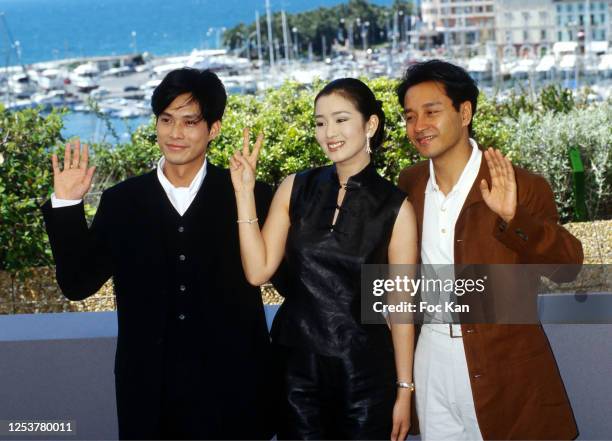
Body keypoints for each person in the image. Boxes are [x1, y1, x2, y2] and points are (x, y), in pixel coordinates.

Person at [41, 68, 278, 440]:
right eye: (166, 120)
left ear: (213, 129)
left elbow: (289, 277)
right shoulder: (122, 201)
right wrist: (67, 205)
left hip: (236, 394)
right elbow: (77, 283)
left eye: (189, 122)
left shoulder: (249, 194)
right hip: (148, 397)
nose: (175, 133)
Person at [396, 59, 583, 440]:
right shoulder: (409, 185)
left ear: (465, 112)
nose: (419, 126)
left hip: (506, 369)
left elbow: (569, 269)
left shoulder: (521, 186)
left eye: (431, 111)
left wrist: (515, 219)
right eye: (410, 116)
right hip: (431, 362)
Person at [228, 78, 417, 440]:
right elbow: (257, 271)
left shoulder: (396, 208)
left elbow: (401, 309)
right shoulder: (294, 187)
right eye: (319, 122)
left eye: (341, 119)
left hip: (365, 375)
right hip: (296, 370)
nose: (329, 132)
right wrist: (244, 194)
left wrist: (404, 390)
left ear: (370, 125)